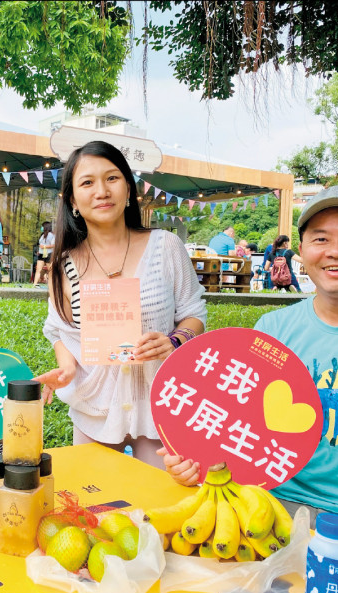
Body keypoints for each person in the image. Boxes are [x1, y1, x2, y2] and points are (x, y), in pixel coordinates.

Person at [164, 185, 338, 550]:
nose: (336, 251)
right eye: (321, 239)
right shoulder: (270, 332)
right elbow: (237, 431)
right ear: (301, 252)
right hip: (270, 505)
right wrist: (197, 461)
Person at [34, 141, 207, 469]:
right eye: (87, 182)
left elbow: (193, 313)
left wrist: (174, 340)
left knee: (159, 507)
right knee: (93, 506)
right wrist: (67, 368)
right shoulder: (64, 265)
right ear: (72, 200)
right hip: (95, 406)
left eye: (112, 178)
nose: (101, 191)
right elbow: (59, 329)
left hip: (160, 401)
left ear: (128, 189)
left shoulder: (166, 247)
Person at [33, 221, 55, 287]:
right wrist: (39, 250)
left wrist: (44, 247)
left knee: (50, 270)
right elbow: (40, 244)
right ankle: (35, 284)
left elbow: (53, 245)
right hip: (41, 254)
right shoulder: (42, 235)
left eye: (42, 226)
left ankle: (51, 284)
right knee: (38, 269)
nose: (41, 228)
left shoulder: (52, 235)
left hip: (48, 254)